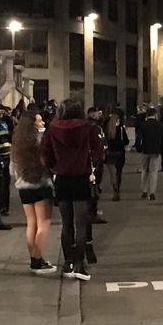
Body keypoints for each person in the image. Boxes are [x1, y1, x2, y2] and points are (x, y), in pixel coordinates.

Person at [41, 100, 104, 281]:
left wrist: (54, 168)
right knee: (81, 224)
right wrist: (92, 163)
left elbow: (46, 155)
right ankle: (79, 265)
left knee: (66, 223)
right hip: (81, 178)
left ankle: (67, 264)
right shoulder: (87, 128)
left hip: (62, 179)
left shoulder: (52, 129)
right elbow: (98, 151)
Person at [10, 109, 56, 274]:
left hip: (24, 187)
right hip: (42, 185)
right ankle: (39, 260)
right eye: (39, 120)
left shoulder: (18, 143)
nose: (43, 123)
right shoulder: (42, 141)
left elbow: (13, 168)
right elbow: (49, 162)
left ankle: (33, 260)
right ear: (33, 124)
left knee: (31, 223)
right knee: (43, 224)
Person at [135, 107, 162, 200]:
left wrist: (138, 148)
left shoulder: (143, 125)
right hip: (156, 150)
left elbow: (139, 138)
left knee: (144, 170)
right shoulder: (159, 125)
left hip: (145, 149)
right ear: (155, 115)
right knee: (154, 171)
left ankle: (144, 190)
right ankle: (152, 192)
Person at [86, 107, 107, 224]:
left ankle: (91, 212)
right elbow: (100, 143)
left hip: (93, 161)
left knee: (94, 187)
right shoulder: (93, 127)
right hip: (94, 163)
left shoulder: (94, 125)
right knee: (94, 188)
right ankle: (91, 213)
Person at [104, 111, 129, 201]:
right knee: (119, 173)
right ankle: (117, 190)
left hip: (110, 153)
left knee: (112, 174)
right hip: (120, 153)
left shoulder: (107, 130)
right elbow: (126, 141)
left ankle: (115, 191)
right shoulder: (121, 130)